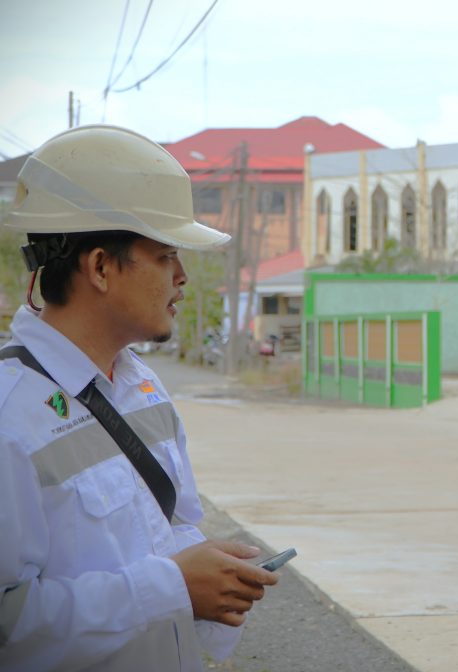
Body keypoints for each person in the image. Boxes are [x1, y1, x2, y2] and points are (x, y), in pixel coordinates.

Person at [0, 125, 279, 671]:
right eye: (165, 255)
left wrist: (211, 573)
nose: (182, 278)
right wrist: (171, 586)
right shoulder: (11, 417)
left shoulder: (142, 386)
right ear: (100, 266)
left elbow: (173, 523)